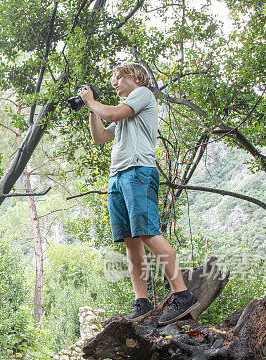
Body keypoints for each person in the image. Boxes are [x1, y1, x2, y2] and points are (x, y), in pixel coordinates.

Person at [80, 63, 199, 325]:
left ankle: (182, 293)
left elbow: (112, 114)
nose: (114, 83)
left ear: (135, 77)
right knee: (130, 239)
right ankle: (142, 302)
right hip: (117, 176)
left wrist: (94, 102)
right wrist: (91, 107)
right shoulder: (123, 113)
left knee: (147, 232)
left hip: (138, 171)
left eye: (119, 77)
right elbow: (99, 137)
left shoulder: (143, 95)